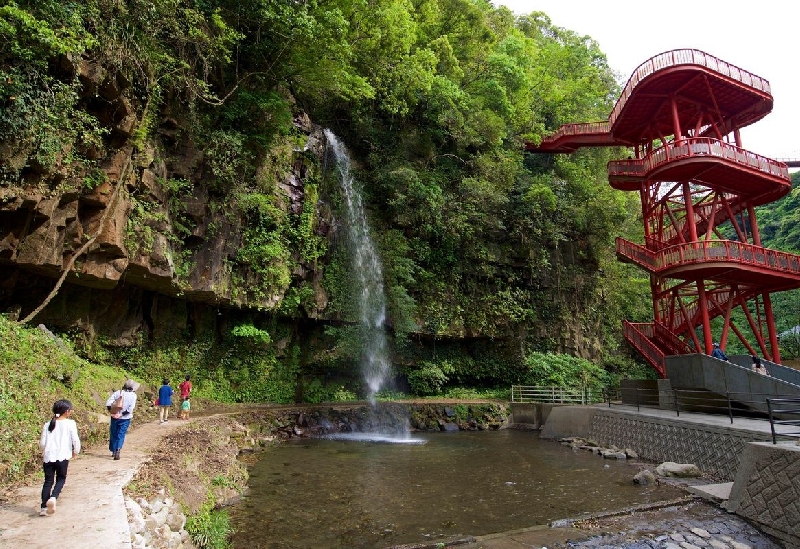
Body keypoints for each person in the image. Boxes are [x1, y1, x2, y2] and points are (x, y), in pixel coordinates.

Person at [39, 399, 81, 516]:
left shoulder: (48, 424)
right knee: (61, 479)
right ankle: (53, 497)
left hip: (48, 457)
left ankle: (43, 507)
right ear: (67, 412)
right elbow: (75, 440)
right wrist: (75, 451)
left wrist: (46, 450)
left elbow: (42, 443)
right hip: (62, 456)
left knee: (48, 481)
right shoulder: (70, 423)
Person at [105, 379, 139, 460]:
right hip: (125, 418)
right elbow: (131, 409)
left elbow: (108, 403)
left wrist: (113, 412)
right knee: (121, 434)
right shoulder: (133, 396)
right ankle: (118, 450)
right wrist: (121, 414)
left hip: (114, 417)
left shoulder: (118, 393)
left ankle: (113, 450)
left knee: (113, 433)